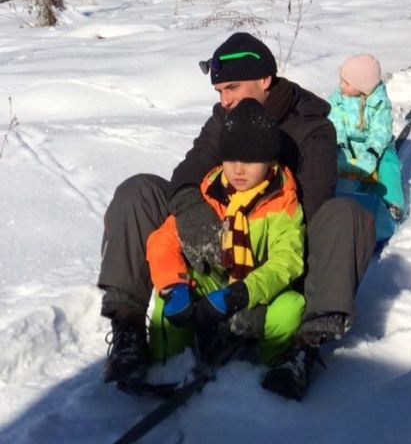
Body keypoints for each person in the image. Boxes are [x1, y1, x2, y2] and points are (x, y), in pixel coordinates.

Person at [98, 32, 376, 401]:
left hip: (279, 249)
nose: (224, 100)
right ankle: (129, 331)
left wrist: (247, 276)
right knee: (139, 191)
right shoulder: (224, 118)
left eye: (232, 87)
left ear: (265, 80)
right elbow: (189, 171)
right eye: (218, 92)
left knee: (345, 215)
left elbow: (308, 211)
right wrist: (192, 210)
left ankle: (304, 347)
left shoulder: (312, 127)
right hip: (217, 250)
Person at [147, 99, 305, 386]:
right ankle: (168, 368)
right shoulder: (210, 193)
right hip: (214, 284)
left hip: (257, 291)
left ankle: (265, 370)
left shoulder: (283, 202)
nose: (239, 170)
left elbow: (287, 261)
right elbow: (164, 240)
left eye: (250, 160)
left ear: (270, 161)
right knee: (166, 303)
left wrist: (242, 293)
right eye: (231, 159)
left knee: (290, 308)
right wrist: (175, 285)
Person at [328, 53, 405, 221]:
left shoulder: (378, 102)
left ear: (362, 87)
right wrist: (341, 146)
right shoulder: (338, 99)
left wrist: (372, 153)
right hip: (348, 145)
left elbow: (380, 130)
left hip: (376, 147)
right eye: (342, 79)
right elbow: (335, 124)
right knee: (328, 159)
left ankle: (392, 203)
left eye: (347, 83)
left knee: (388, 163)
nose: (341, 85)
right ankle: (328, 197)